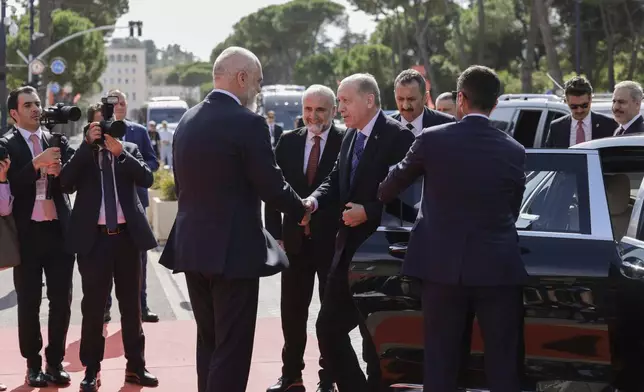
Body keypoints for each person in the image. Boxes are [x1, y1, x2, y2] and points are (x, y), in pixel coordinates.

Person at [158, 46, 309, 392]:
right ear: (241, 78)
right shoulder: (249, 122)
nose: (257, 90)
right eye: (256, 82)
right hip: (233, 253)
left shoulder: (187, 119)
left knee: (208, 342)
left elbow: (183, 185)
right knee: (232, 347)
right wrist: (302, 210)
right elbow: (271, 185)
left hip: (191, 248)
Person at [378, 65, 527, 392]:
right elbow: (512, 209)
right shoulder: (514, 150)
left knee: (441, 363)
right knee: (503, 364)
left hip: (441, 271)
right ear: (495, 102)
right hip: (497, 270)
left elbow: (388, 189)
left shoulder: (432, 141)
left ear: (461, 98)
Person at [303, 73, 415, 392]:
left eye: (345, 101)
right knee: (328, 330)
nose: (340, 109)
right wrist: (313, 201)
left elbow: (412, 200)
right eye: (339, 101)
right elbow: (336, 178)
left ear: (369, 100)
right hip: (346, 254)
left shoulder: (398, 137)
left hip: (381, 256)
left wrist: (368, 211)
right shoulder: (350, 136)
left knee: (374, 342)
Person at [264, 85, 345, 392]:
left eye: (320, 110)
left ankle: (329, 379)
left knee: (330, 316)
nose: (313, 116)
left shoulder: (345, 142)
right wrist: (275, 236)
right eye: (308, 109)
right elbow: (272, 190)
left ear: (333, 111)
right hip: (293, 244)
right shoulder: (286, 142)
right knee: (292, 313)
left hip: (331, 245)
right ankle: (291, 376)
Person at [0, 86, 76, 387]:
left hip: (58, 232)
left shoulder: (57, 140)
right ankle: (33, 364)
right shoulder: (5, 145)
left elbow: (72, 183)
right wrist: (35, 164)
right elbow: (10, 188)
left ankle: (55, 361)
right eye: (28, 105)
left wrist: (61, 171)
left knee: (62, 301)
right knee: (29, 303)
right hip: (27, 236)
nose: (35, 109)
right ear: (14, 113)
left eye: (37, 103)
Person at [104, 89, 160, 323]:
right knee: (104, 259)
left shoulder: (138, 131)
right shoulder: (97, 131)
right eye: (114, 103)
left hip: (135, 204)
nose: (119, 106)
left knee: (139, 259)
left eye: (123, 102)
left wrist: (132, 164)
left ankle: (142, 305)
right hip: (105, 206)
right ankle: (104, 308)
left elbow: (153, 162)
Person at [545, 76, 616, 147]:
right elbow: (548, 156)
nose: (579, 110)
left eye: (584, 105)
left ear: (590, 99)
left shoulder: (608, 125)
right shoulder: (556, 127)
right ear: (566, 101)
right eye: (574, 106)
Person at [390, 69, 455, 136]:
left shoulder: (447, 124)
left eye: (411, 99)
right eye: (400, 99)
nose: (405, 106)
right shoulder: (384, 126)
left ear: (425, 98)